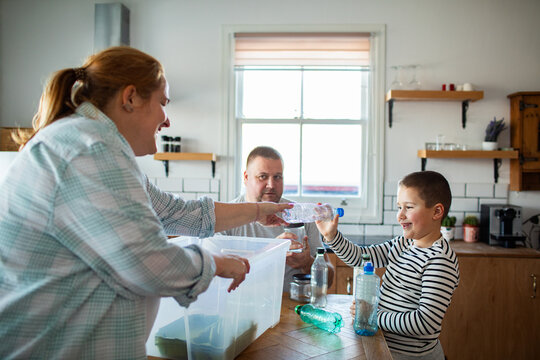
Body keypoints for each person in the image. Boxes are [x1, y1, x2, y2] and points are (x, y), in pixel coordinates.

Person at [0, 46, 291, 360]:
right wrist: (218, 264)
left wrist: (260, 211)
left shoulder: (98, 147)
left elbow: (179, 213)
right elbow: (146, 264)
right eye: (162, 104)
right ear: (130, 98)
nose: (166, 120)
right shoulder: (89, 148)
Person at [316, 171, 459, 360]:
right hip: (386, 348)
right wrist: (332, 237)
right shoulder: (403, 243)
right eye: (399, 207)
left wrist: (373, 316)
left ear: (437, 211)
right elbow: (361, 257)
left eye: (408, 207)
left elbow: (425, 323)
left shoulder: (440, 260)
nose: (400, 215)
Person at [220, 146, 334, 292]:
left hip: (291, 307)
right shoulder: (226, 216)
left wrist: (307, 263)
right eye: (262, 176)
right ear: (246, 178)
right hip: (240, 307)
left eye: (277, 177)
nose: (271, 185)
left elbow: (329, 280)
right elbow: (215, 277)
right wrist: (273, 251)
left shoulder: (300, 215)